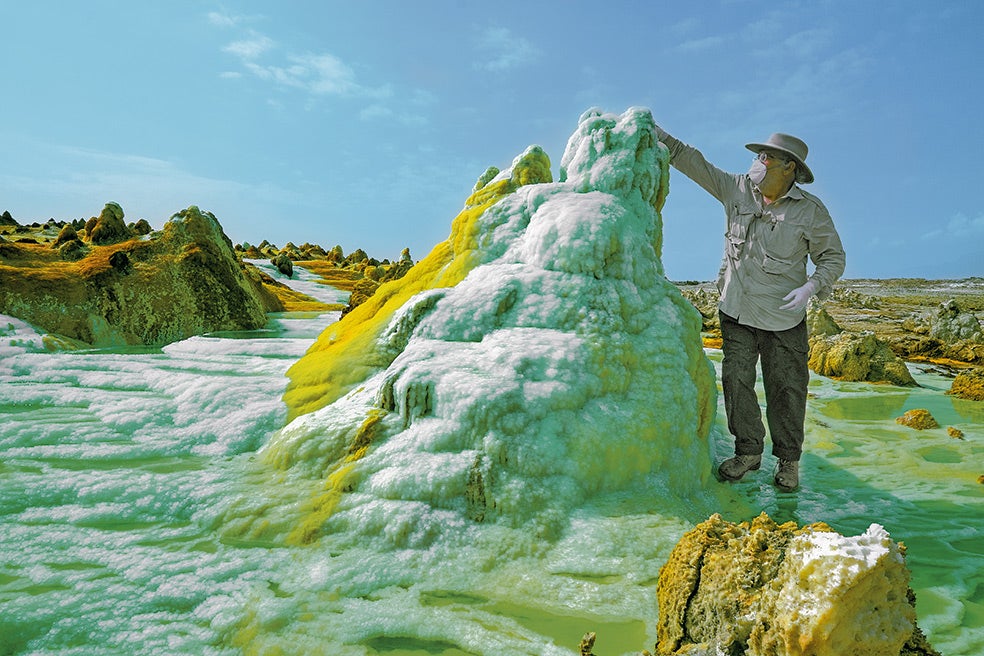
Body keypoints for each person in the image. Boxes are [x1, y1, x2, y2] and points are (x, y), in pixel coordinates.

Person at [654, 127, 845, 491]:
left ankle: (788, 461)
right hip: (736, 311)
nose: (759, 162)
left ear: (789, 168)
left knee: (787, 389)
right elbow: (691, 160)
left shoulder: (811, 212)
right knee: (737, 381)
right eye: (759, 155)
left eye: (767, 157)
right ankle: (748, 452)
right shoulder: (736, 189)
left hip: (784, 318)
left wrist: (811, 286)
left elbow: (833, 257)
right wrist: (653, 129)